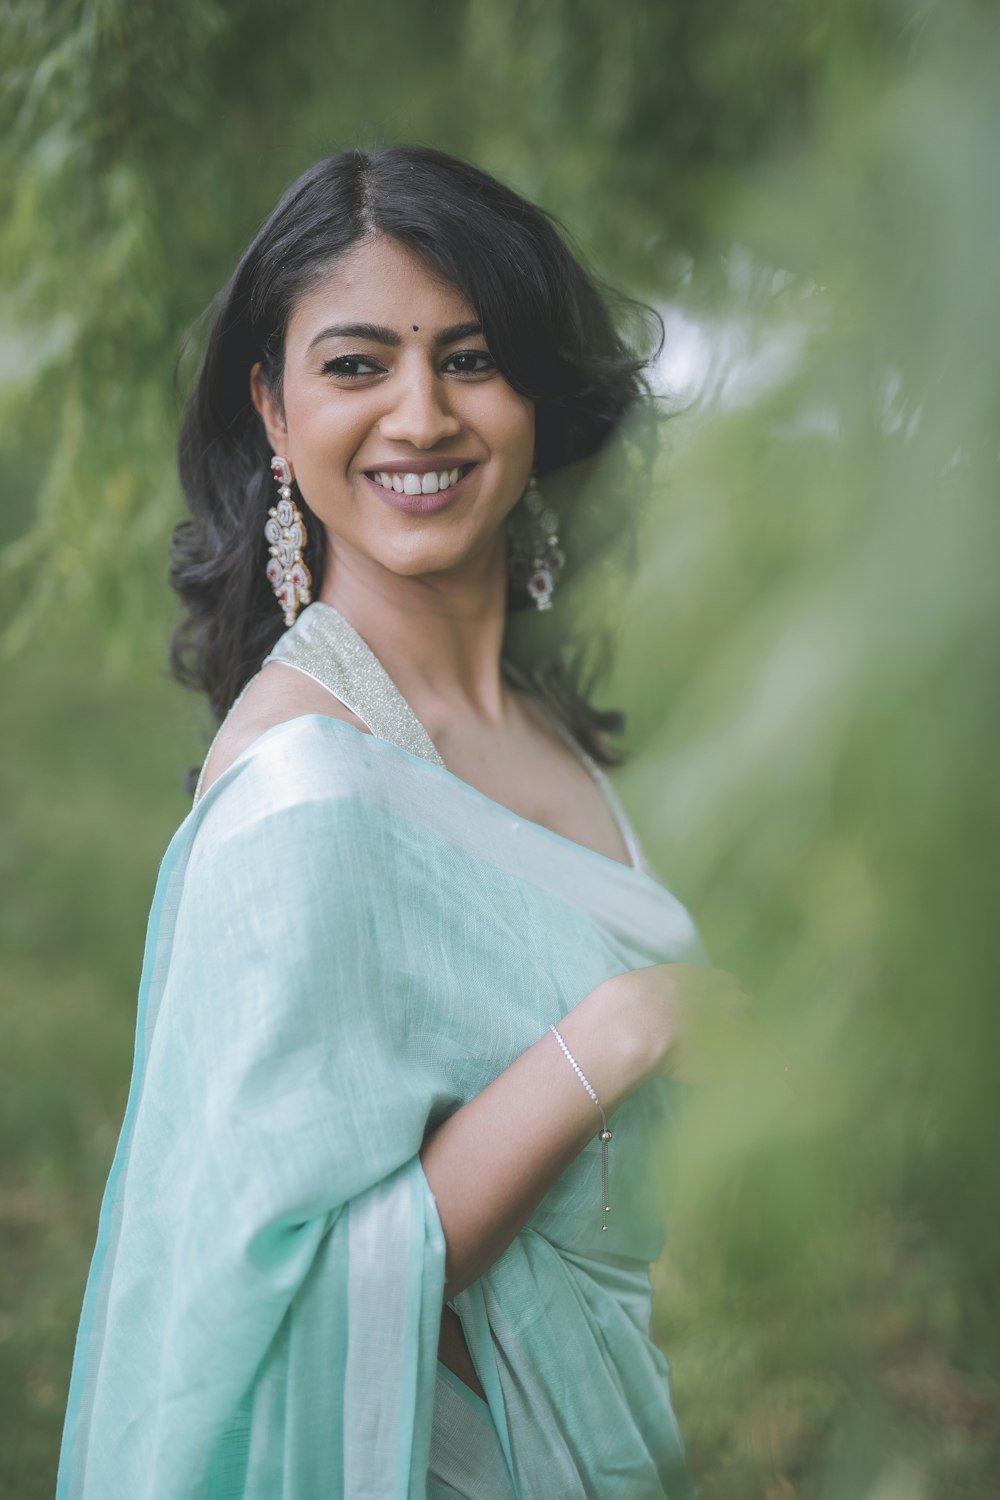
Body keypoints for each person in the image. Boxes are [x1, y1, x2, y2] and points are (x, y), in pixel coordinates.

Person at [57, 145, 741, 1499]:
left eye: (471, 359)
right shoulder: (305, 781)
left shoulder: (543, 720)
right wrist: (618, 1032)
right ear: (272, 405)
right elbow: (288, 1288)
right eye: (358, 365)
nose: (420, 416)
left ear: (537, 392)